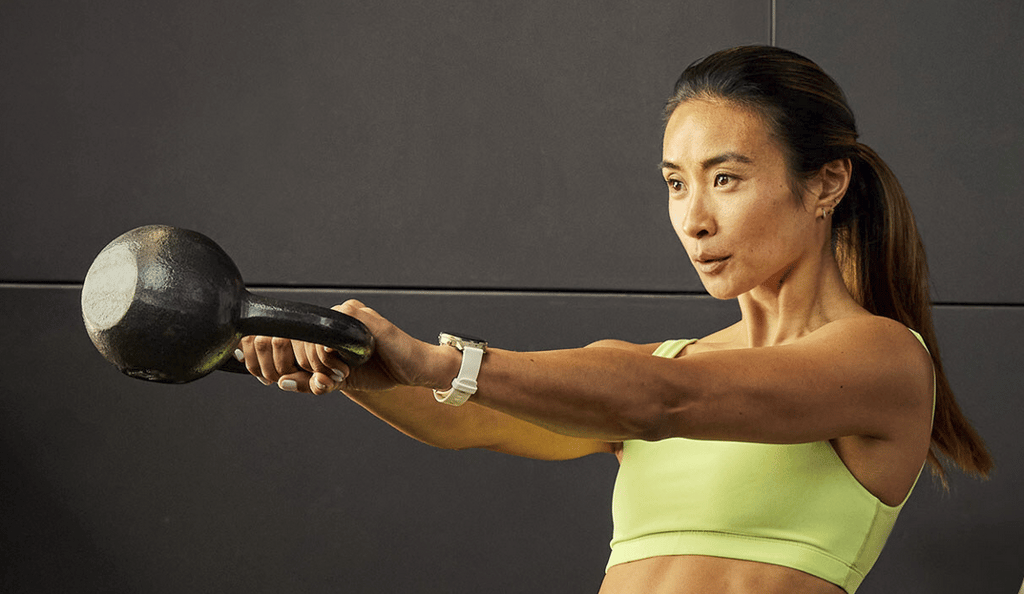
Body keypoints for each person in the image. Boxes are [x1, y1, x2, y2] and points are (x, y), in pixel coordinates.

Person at [234, 46, 992, 593]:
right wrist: (360, 367)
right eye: (675, 183)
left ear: (825, 183)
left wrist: (435, 359)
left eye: (725, 179)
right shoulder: (666, 362)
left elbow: (666, 401)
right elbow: (470, 420)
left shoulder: (883, 360)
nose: (693, 219)